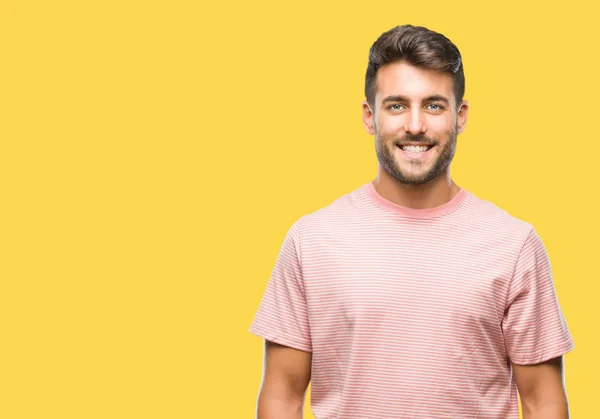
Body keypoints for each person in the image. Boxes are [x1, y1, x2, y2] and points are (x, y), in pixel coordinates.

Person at [249, 24, 574, 419]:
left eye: (434, 105)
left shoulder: (514, 244)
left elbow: (543, 400)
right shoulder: (311, 240)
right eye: (397, 105)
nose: (416, 125)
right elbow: (282, 394)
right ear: (370, 116)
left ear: (461, 115)